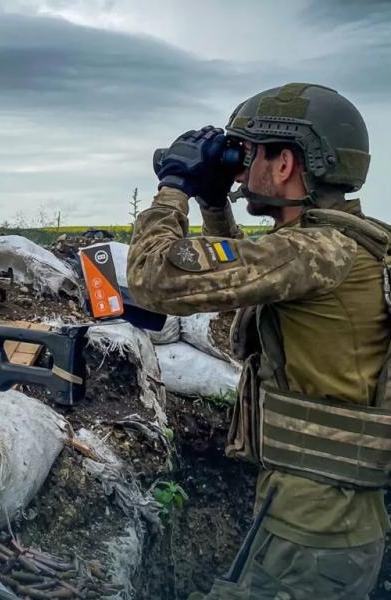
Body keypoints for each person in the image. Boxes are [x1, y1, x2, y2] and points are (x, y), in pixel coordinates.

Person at [126, 82, 391, 599]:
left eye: (248, 154)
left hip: (313, 529)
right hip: (321, 512)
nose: (242, 170)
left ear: (287, 163)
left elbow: (154, 278)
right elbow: (239, 279)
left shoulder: (316, 252)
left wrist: (175, 185)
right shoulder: (345, 243)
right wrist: (214, 200)